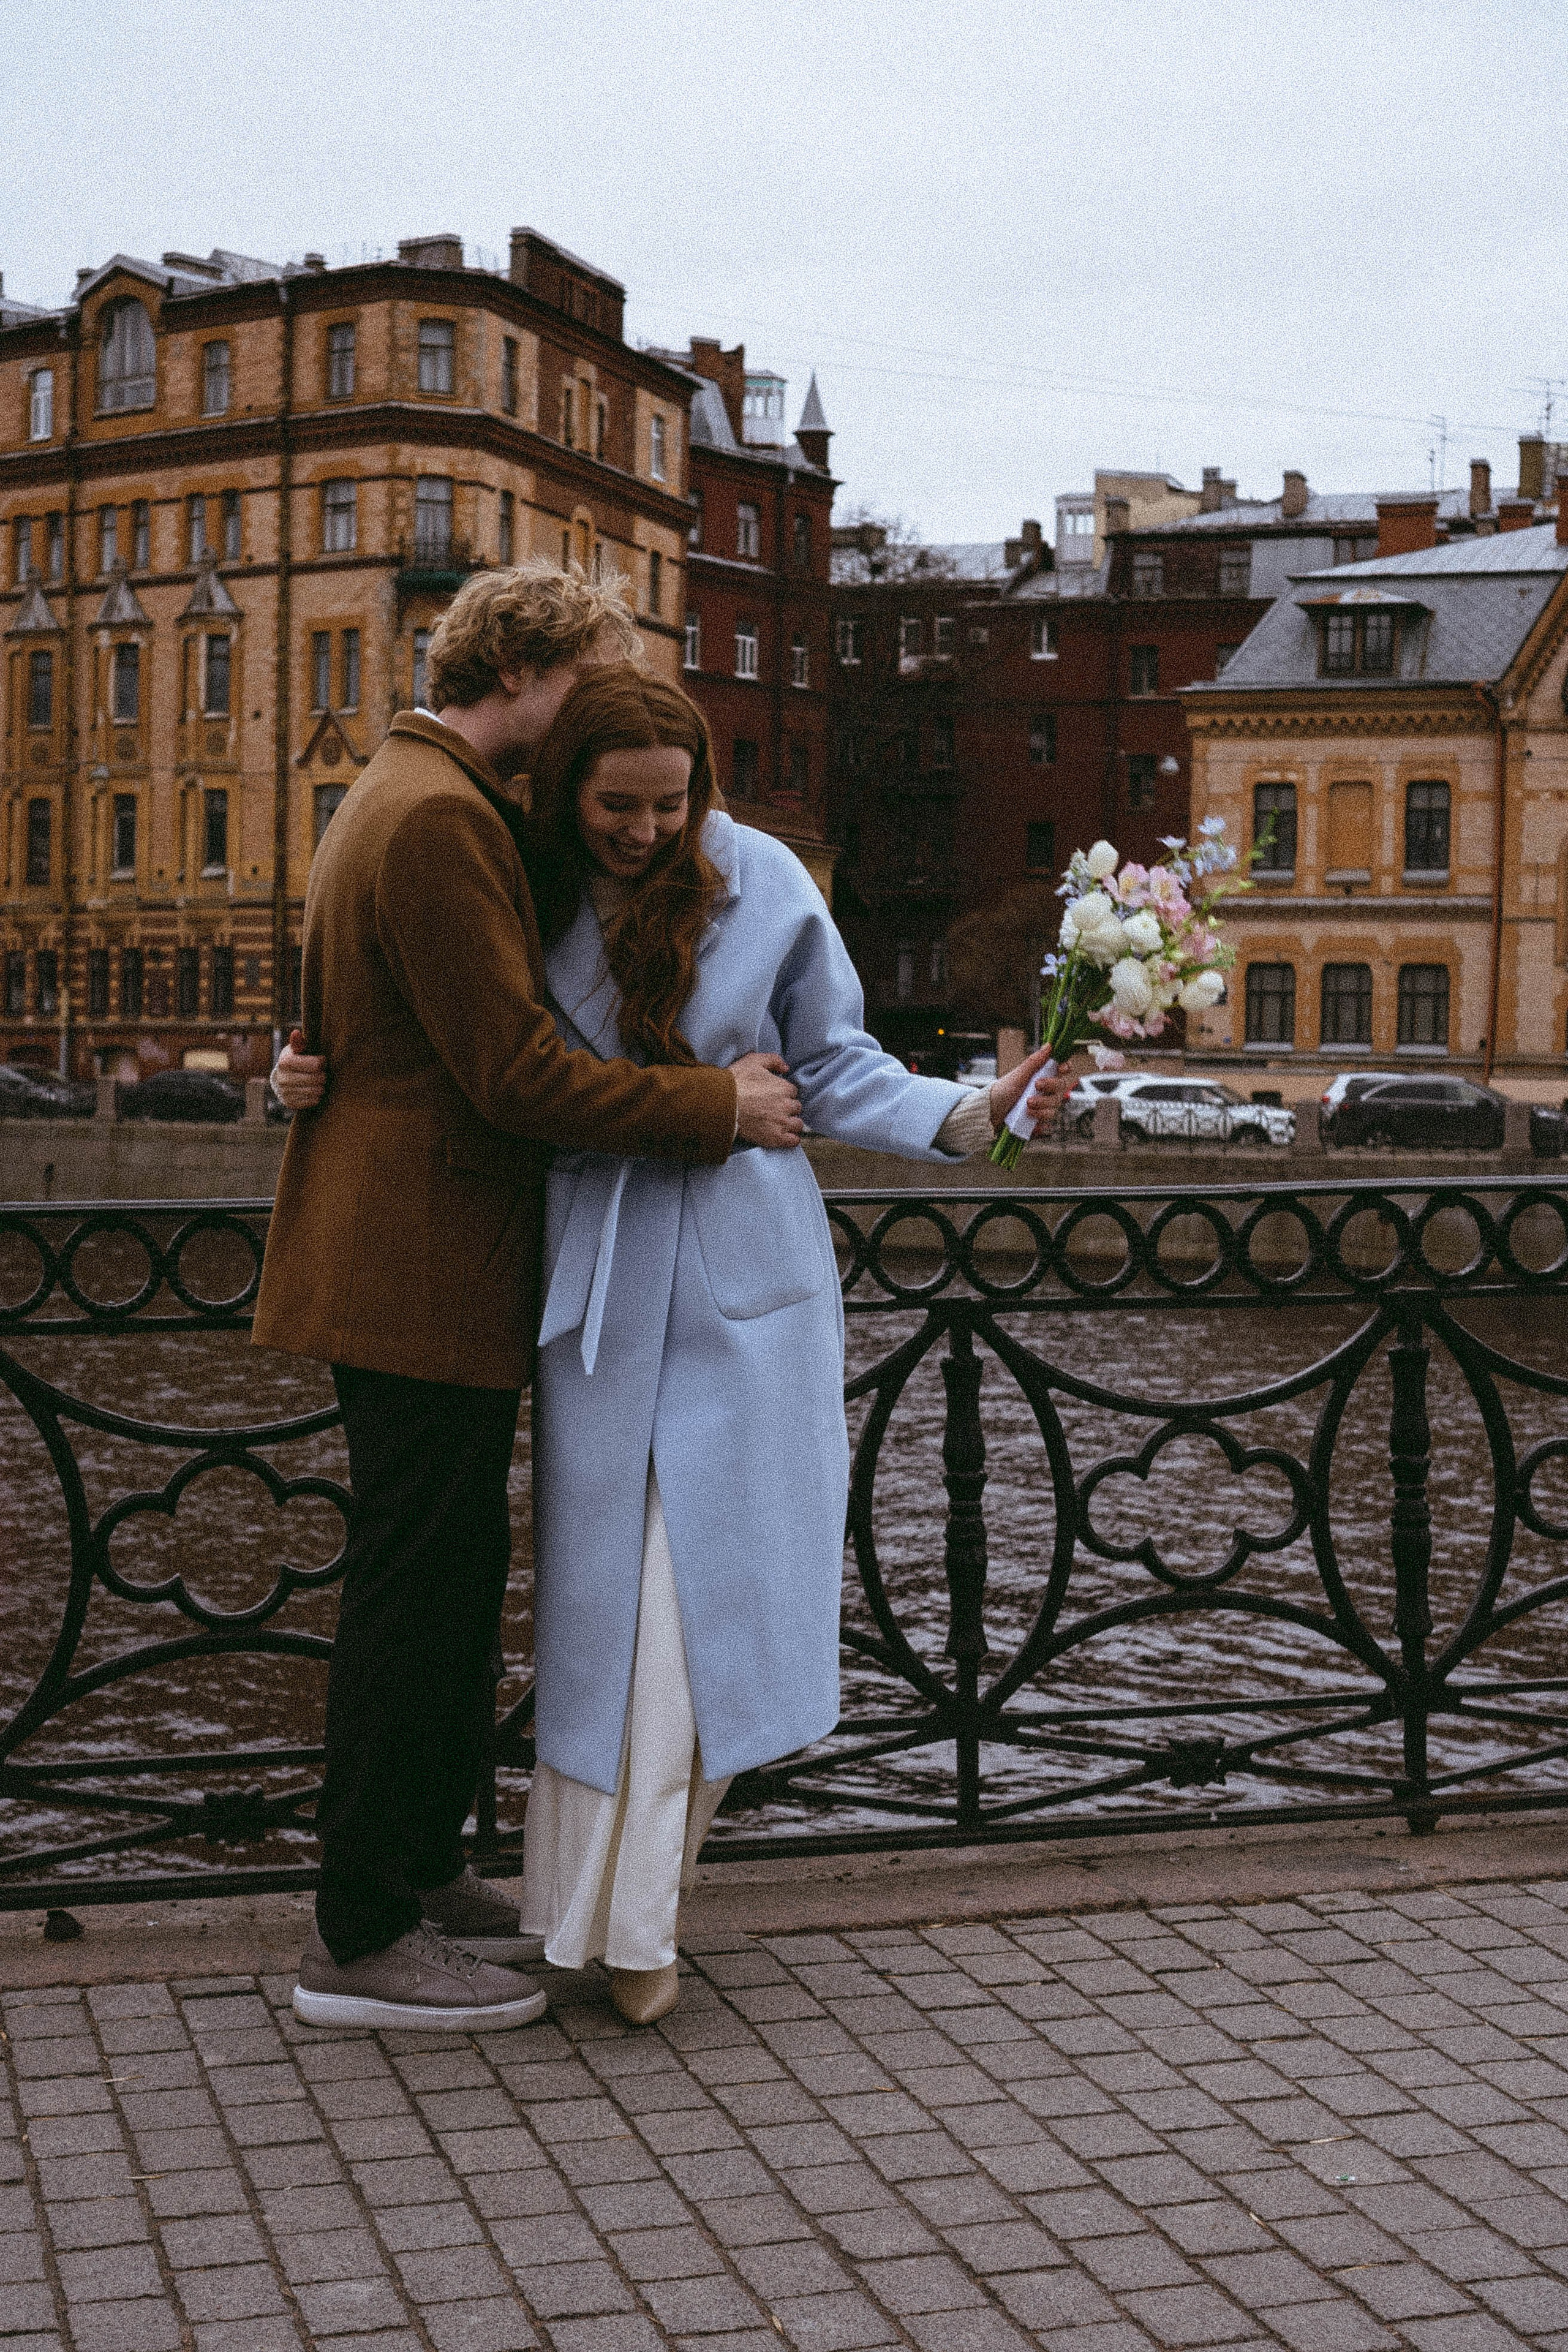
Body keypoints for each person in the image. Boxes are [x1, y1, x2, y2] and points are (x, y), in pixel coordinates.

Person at [274, 665, 1072, 2028]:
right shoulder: (519, 870)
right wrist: (304, 1059)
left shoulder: (761, 878)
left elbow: (832, 1062)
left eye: (671, 803)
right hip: (587, 1281)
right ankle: (585, 1913)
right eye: (614, 805)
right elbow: (457, 1031)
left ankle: (630, 1913)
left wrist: (962, 1115)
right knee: (609, 1616)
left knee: (698, 1608)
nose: (645, 832)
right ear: (564, 789)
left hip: (739, 1279)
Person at [252, 567, 802, 2035]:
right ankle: (361, 1936)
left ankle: (421, 1879)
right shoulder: (437, 818)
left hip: (413, 1260)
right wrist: (715, 1104)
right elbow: (508, 1072)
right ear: (532, 670)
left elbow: (349, 1017)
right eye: (590, 686)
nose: (594, 739)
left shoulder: (406, 790)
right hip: (417, 1263)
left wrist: (295, 1064)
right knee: (411, 1602)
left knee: (438, 1587)